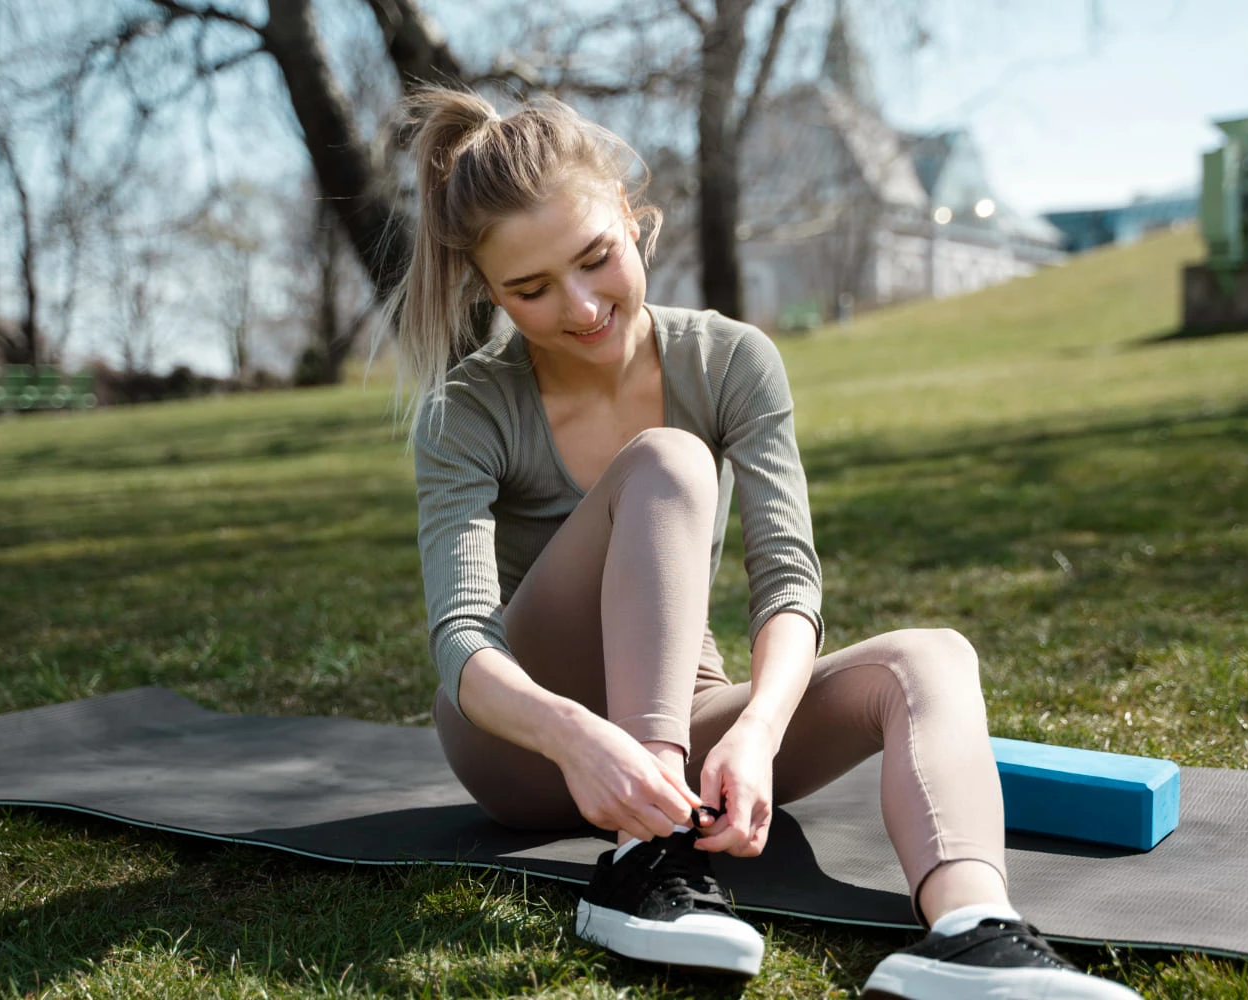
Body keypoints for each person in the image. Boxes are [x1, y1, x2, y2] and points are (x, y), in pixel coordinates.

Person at [395, 87, 1141, 1000]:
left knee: (930, 658)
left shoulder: (731, 359)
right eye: (531, 290)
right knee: (669, 463)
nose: (582, 306)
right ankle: (646, 864)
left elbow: (789, 581)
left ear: (633, 221)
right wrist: (581, 740)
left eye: (596, 258)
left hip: (681, 716)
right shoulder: (467, 411)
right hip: (521, 742)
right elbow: (462, 640)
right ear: (488, 288)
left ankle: (969, 933)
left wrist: (756, 730)